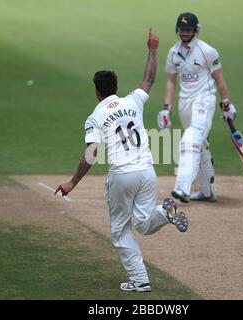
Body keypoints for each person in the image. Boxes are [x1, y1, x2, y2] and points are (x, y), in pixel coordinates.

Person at [55, 29, 188, 292]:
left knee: (120, 231)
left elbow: (91, 154)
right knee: (143, 223)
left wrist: (73, 182)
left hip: (122, 175)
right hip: (147, 172)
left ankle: (140, 280)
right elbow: (148, 79)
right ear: (115, 88)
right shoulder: (133, 101)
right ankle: (164, 212)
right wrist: (152, 49)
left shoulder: (95, 116)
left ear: (97, 91)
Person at [157, 12, 237, 203]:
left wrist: (226, 104)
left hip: (204, 100)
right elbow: (170, 82)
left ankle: (182, 188)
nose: (185, 33)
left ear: (196, 30)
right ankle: (208, 192)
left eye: (189, 29)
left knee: (189, 142)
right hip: (184, 103)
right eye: (182, 30)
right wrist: (166, 108)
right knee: (200, 146)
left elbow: (220, 79)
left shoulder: (207, 51)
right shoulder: (172, 53)